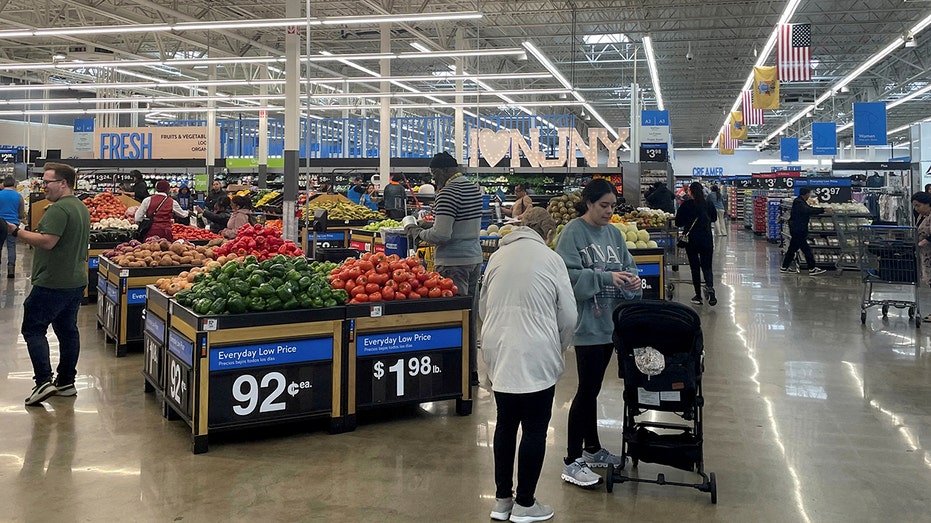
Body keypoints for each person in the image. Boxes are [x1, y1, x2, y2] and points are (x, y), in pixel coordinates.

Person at [480, 207, 577, 523]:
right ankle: (525, 504)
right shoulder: (551, 259)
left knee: (505, 424)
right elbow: (569, 316)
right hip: (536, 349)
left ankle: (502, 501)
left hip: (499, 347)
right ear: (548, 234)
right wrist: (558, 346)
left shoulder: (497, 256)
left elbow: (483, 304)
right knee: (535, 428)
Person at [554, 178, 642, 488]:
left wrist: (632, 282)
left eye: (612, 206)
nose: (608, 211)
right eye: (603, 205)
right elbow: (566, 277)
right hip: (587, 326)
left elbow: (629, 267)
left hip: (611, 325)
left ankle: (591, 449)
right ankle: (571, 460)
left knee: (593, 391)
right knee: (586, 390)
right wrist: (606, 278)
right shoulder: (572, 233)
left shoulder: (615, 234)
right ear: (588, 203)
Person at [4, 163, 89, 406]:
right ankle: (66, 382)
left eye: (48, 182)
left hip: (53, 281)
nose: (44, 186)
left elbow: (47, 241)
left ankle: (43, 381)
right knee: (67, 331)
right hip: (75, 280)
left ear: (63, 183)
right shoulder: (80, 207)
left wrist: (15, 232)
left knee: (33, 328)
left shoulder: (59, 209)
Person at [405, 151, 483, 385]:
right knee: (469, 316)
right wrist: (429, 223)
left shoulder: (447, 192)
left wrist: (417, 232)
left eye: (433, 174)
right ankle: (471, 372)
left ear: (441, 171)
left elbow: (442, 235)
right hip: (474, 258)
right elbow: (459, 224)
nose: (433, 179)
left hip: (452, 264)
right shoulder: (473, 188)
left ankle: (453, 373)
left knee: (452, 319)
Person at [676, 182, 718, 305]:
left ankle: (698, 296)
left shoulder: (686, 205)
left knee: (695, 267)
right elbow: (714, 218)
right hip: (706, 239)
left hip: (692, 240)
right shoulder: (708, 204)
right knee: (707, 266)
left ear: (690, 192)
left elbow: (678, 222)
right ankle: (710, 288)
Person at [780, 187, 829, 276]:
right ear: (806, 194)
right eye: (809, 194)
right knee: (806, 250)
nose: (809, 196)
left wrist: (820, 208)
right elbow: (808, 210)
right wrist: (823, 210)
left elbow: (809, 208)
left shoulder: (800, 201)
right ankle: (812, 268)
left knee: (792, 249)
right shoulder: (799, 202)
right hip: (798, 230)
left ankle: (784, 267)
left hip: (797, 230)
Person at [0, 176, 25, 278]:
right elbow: (21, 214)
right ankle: (11, 270)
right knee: (11, 246)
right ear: (14, 185)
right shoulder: (19, 196)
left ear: (4, 184)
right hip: (13, 225)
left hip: (0, 224)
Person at [913, 192, 931, 322]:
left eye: (918, 205)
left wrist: (923, 242)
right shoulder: (922, 216)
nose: (916, 208)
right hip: (926, 256)